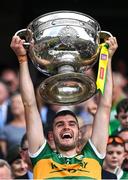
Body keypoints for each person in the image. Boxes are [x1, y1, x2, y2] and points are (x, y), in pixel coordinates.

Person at [10, 33, 118, 179]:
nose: (66, 127)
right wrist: (22, 59)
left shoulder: (93, 155)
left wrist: (108, 58)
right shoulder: (42, 157)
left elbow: (105, 107)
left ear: (79, 134)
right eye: (60, 124)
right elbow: (29, 105)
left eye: (72, 124)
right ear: (52, 136)